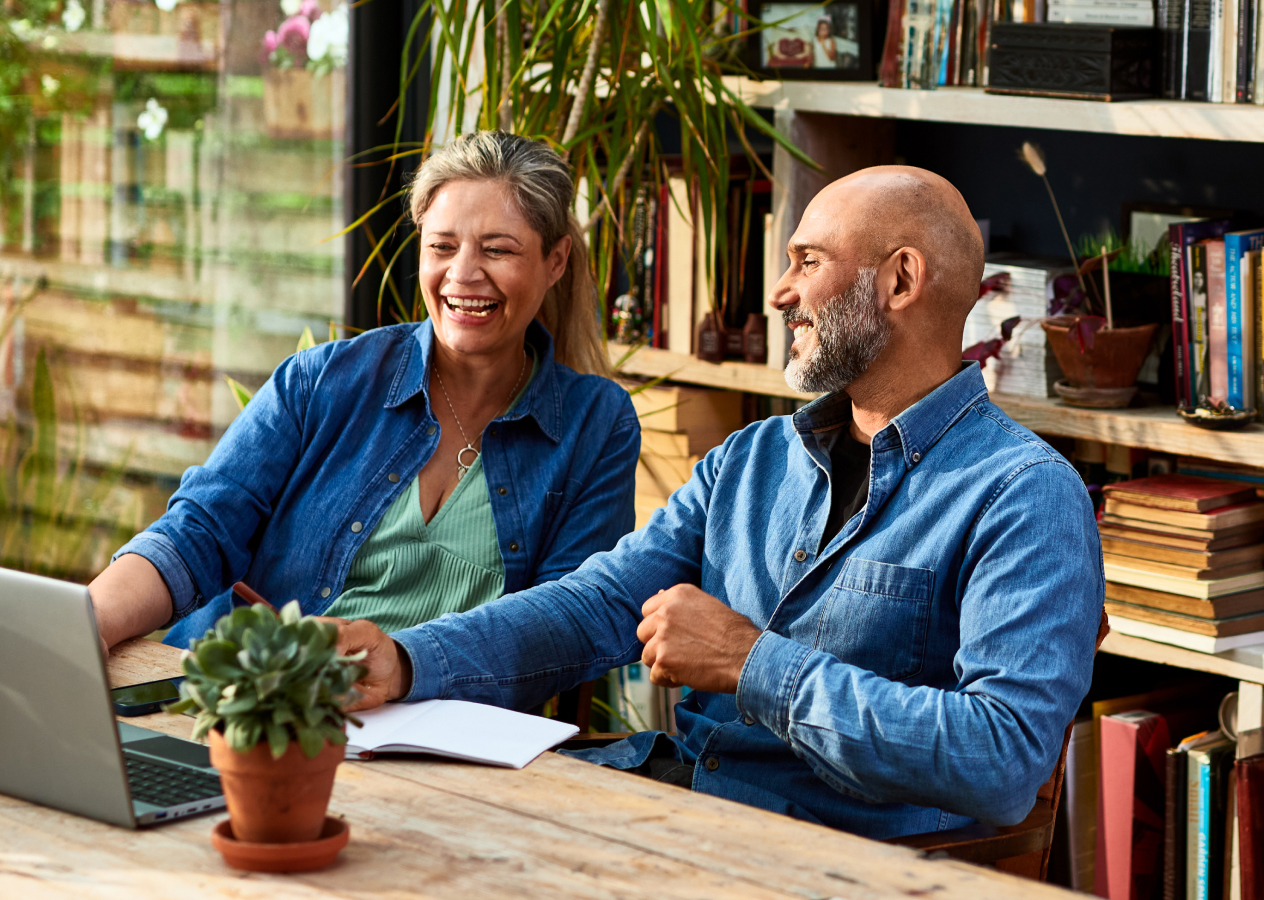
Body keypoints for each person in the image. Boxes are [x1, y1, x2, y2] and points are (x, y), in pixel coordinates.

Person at [334, 166, 1104, 839]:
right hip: (674, 804)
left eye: (808, 261)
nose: (781, 292)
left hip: (830, 854)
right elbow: (596, 604)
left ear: (900, 280)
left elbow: (1001, 760)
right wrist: (407, 660)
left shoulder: (1024, 495)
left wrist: (750, 662)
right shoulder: (752, 456)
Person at [88, 131, 640, 653]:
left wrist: (404, 666)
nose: (463, 274)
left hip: (437, 739)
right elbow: (199, 532)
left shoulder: (596, 426)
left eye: (497, 250)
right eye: (442, 246)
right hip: (260, 710)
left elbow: (564, 623)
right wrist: (87, 624)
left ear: (556, 261)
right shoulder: (320, 381)